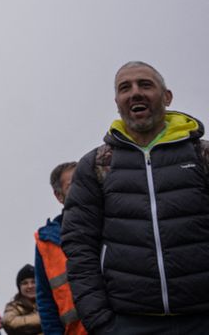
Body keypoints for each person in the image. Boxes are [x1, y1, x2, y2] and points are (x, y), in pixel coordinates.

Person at [61, 61, 209, 334]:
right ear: (117, 102)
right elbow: (79, 245)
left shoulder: (202, 156)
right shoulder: (97, 164)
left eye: (145, 84)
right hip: (127, 322)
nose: (135, 93)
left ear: (167, 97)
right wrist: (100, 321)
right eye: (125, 88)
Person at [34, 162, 86, 335]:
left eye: (85, 180)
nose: (82, 187)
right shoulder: (46, 243)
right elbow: (46, 303)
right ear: (59, 195)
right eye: (73, 184)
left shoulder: (117, 221)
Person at [4, 264, 42, 335]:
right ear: (19, 287)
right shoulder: (13, 306)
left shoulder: (49, 303)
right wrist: (43, 318)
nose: (30, 286)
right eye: (25, 283)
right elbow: (10, 323)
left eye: (33, 282)